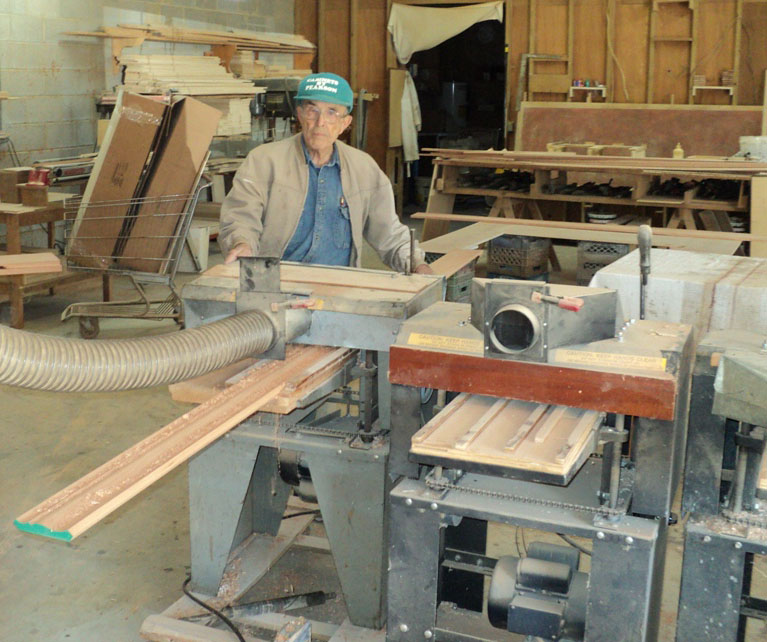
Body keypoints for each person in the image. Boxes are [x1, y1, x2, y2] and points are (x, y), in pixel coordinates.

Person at [218, 72, 432, 274]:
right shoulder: (264, 161)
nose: (320, 122)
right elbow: (241, 217)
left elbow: (390, 234)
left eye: (332, 112)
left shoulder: (364, 168)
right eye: (313, 110)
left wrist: (416, 263)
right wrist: (242, 244)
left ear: (344, 123)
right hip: (274, 282)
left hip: (338, 286)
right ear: (300, 114)